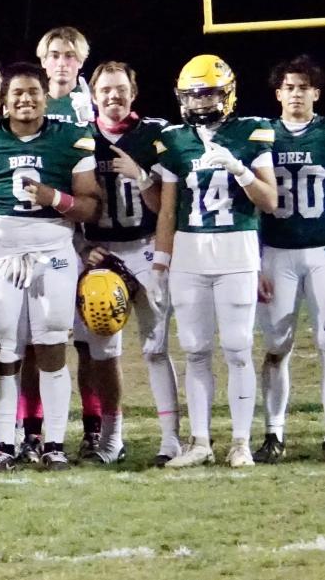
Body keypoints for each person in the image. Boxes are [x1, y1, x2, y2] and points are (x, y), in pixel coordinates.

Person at [0, 62, 103, 471]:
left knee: (52, 345)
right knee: (4, 350)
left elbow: (90, 204)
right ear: (5, 97)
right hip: (2, 255)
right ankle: (5, 442)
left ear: (45, 96)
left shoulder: (72, 138)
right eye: (17, 92)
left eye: (33, 92)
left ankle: (53, 441)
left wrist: (55, 198)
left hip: (53, 250)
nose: (25, 99)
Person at [152, 55, 276, 469]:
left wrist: (240, 169)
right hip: (189, 252)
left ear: (228, 92)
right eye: (193, 95)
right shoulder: (174, 139)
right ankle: (200, 441)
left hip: (237, 248)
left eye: (208, 93)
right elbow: (167, 211)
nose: (201, 102)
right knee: (195, 350)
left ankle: (240, 441)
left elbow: (270, 201)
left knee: (238, 349)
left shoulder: (250, 132)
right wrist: (159, 263)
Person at [72, 62, 171, 465]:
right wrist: (81, 245)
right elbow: (70, 203)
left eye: (121, 89)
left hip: (145, 247)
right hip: (102, 252)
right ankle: (111, 439)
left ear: (134, 92)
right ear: (94, 96)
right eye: (106, 90)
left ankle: (171, 438)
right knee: (102, 353)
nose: (114, 97)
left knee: (156, 347)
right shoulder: (79, 137)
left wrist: (142, 176)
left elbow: (167, 206)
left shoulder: (155, 134)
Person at [259, 55, 325, 464]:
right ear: (278, 93)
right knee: (276, 346)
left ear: (316, 92)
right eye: (289, 86)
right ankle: (274, 431)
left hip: (322, 250)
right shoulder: (261, 135)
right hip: (276, 252)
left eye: (304, 86)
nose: (296, 93)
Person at [37, 27, 96, 124]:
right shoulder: (32, 101)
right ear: (43, 61)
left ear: (80, 61)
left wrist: (89, 123)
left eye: (69, 56)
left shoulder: (93, 101)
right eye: (55, 56)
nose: (61, 63)